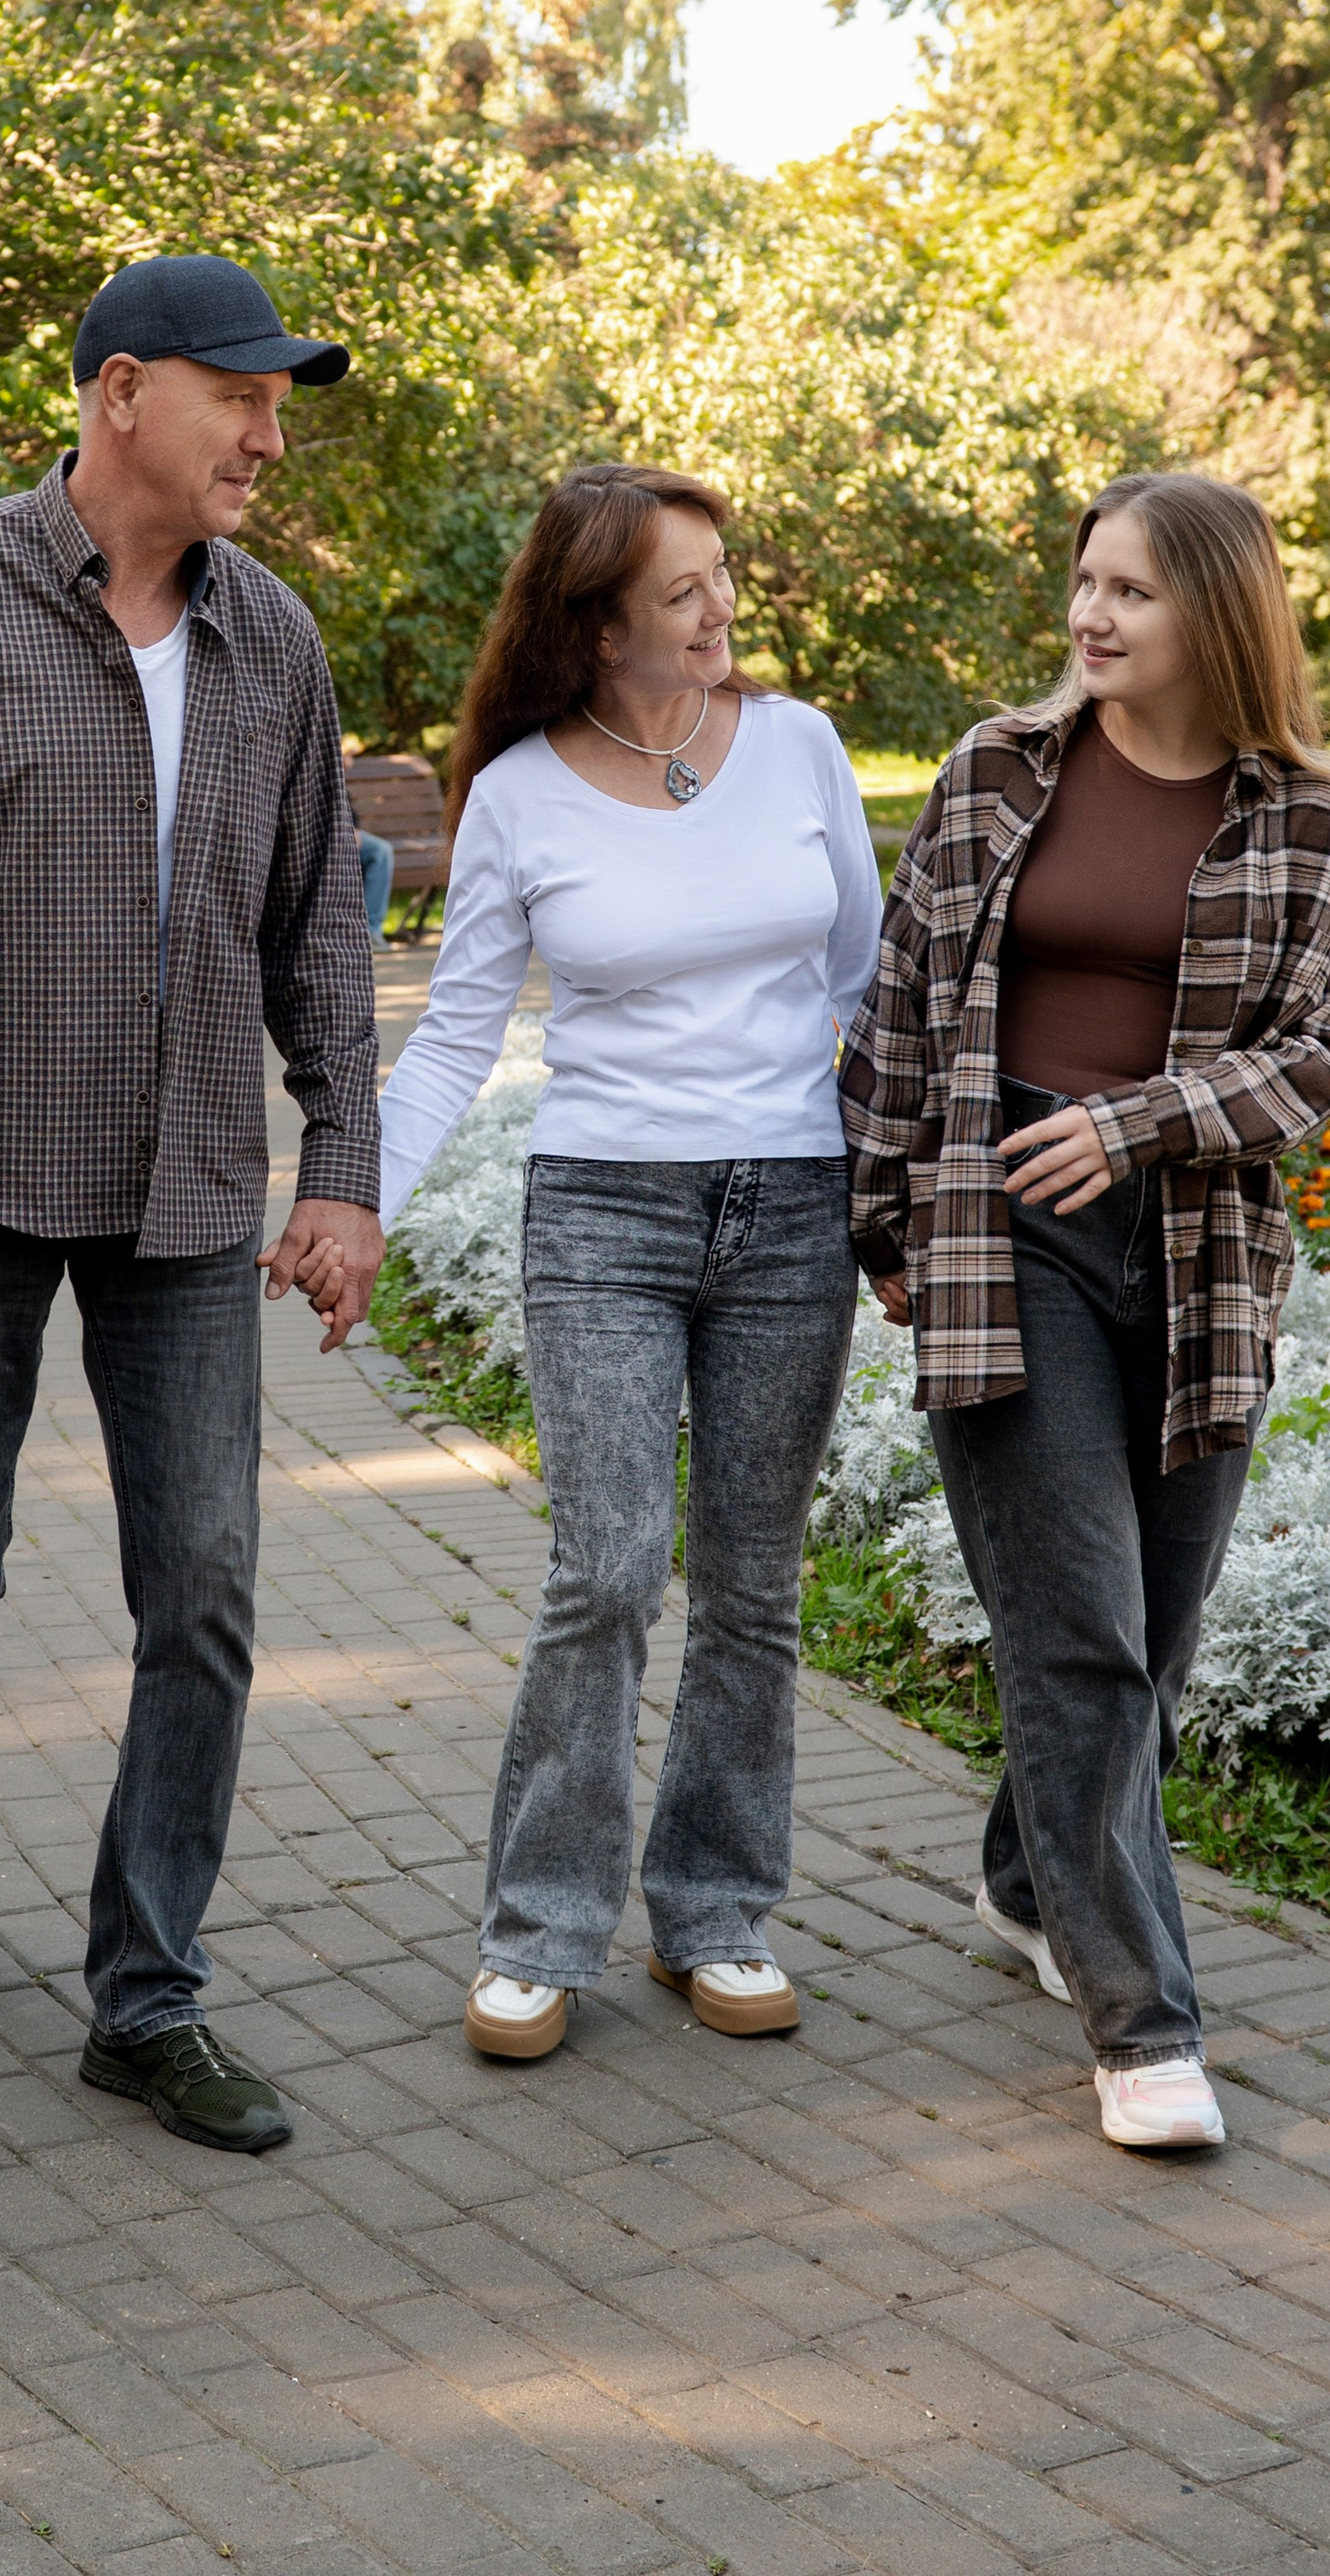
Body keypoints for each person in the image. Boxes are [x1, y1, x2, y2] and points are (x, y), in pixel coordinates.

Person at [0, 252, 382, 2156]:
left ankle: (147, 1994)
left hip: (193, 1192)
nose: (269, 430)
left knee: (204, 1589)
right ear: (121, 390)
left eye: (281, 398)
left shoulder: (273, 642)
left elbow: (318, 934)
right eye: (243, 393)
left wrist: (345, 1173)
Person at [840, 471, 1330, 2154]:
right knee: (1074, 1627)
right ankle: (1140, 2025)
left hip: (1202, 1254)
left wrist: (1136, 1123)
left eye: (1131, 591)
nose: (1090, 614)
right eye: (1083, 581)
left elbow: (1327, 1042)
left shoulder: (1301, 813)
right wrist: (882, 1218)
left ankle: (1026, 1875)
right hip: (1003, 1238)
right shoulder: (996, 773)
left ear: (1213, 612)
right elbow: (897, 1000)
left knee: (1146, 1633)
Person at [375, 465, 881, 2061]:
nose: (721, 606)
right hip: (605, 1211)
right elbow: (457, 1028)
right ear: (595, 627)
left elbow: (871, 985)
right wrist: (352, 1200)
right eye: (683, 591)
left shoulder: (796, 748)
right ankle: (540, 1929)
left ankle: (718, 1910)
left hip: (791, 1206)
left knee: (751, 1581)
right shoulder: (520, 788)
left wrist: (904, 1204)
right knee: (604, 1567)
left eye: (723, 573)